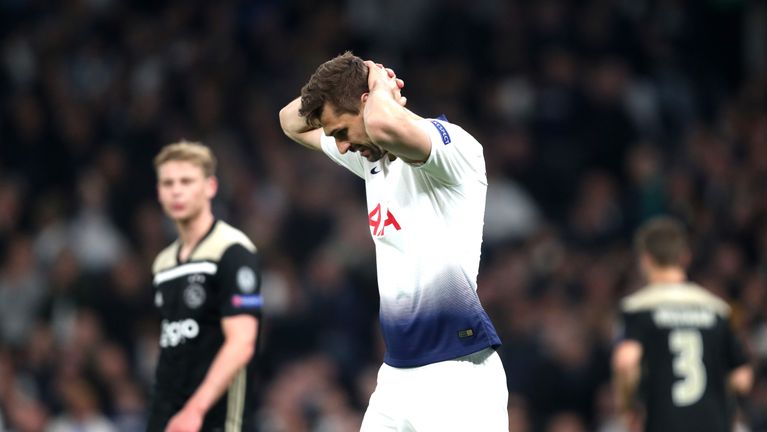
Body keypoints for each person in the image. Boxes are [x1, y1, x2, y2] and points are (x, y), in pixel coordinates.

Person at [279, 52, 508, 431]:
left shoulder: (452, 150)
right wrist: (365, 76)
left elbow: (385, 124)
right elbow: (289, 122)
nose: (340, 146)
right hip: (397, 377)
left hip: (459, 378)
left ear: (368, 105)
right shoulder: (372, 160)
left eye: (341, 132)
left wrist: (378, 85)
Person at [147, 141, 262, 432]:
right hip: (167, 412)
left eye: (186, 181)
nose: (176, 191)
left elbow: (242, 343)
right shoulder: (162, 264)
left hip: (215, 416)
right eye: (168, 183)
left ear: (210, 187)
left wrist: (194, 410)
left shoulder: (232, 251)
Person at [612, 216, 753, 432]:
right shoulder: (715, 309)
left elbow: (626, 360)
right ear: (685, 257)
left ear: (645, 259)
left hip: (664, 423)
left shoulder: (641, 308)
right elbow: (742, 378)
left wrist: (627, 408)